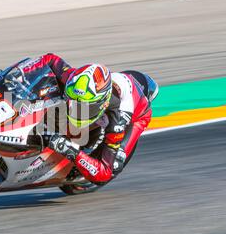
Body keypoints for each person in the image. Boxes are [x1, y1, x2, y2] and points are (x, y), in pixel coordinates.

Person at [22, 53, 158, 185]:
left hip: (137, 117)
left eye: (85, 107)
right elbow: (49, 59)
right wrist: (20, 74)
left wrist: (69, 150)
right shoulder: (73, 79)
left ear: (102, 104)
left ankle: (83, 156)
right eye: (73, 103)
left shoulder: (118, 121)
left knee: (114, 165)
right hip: (112, 90)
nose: (76, 110)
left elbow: (104, 172)